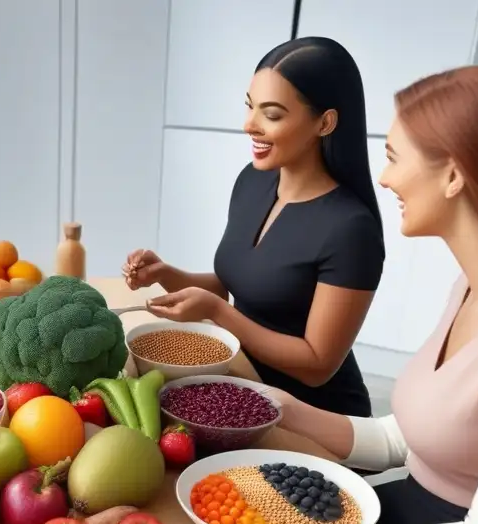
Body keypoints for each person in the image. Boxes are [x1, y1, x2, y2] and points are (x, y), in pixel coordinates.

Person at [272, 66, 478, 524]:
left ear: (455, 173)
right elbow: (410, 437)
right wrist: (283, 410)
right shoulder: (470, 286)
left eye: (395, 156)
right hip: (412, 518)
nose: (384, 176)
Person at [125, 37, 384, 417]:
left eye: (272, 114)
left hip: (317, 417)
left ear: (325, 123)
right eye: (250, 107)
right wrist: (167, 274)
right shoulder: (254, 180)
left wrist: (218, 312)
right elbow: (242, 284)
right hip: (246, 386)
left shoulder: (351, 229)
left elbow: (317, 366)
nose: (250, 125)